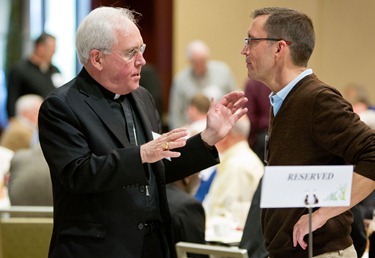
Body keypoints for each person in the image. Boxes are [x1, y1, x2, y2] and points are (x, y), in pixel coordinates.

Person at [38, 6, 247, 258]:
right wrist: (140, 155)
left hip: (153, 245)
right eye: (131, 53)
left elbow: (159, 167)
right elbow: (77, 174)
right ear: (97, 58)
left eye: (142, 49)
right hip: (98, 248)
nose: (142, 60)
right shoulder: (62, 105)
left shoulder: (142, 97)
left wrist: (208, 138)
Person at [240, 7, 375, 258]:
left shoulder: (317, 99)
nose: (244, 50)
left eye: (252, 40)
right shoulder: (284, 99)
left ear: (279, 48)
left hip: (319, 252)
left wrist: (323, 213)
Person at [203, 115, 264, 229]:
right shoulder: (239, 160)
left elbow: (229, 220)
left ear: (225, 135)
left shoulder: (238, 166)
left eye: (214, 132)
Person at [168, 40, 237, 129]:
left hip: (223, 127)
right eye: (197, 62)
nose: (202, 65)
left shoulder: (223, 72)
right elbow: (176, 114)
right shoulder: (180, 80)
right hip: (192, 130)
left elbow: (235, 100)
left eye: (204, 61)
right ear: (190, 62)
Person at [6, 32, 63, 118]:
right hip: (29, 123)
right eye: (51, 49)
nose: (53, 52)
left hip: (52, 120)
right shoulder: (19, 70)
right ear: (40, 48)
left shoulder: (55, 70)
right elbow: (11, 102)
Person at [166, 174, 208, 258]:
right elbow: (196, 254)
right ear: (187, 178)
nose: (199, 181)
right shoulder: (188, 206)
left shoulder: (152, 195)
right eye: (199, 175)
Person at [244, 79, 271, 163]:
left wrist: (250, 142)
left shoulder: (254, 83)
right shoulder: (289, 81)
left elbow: (250, 118)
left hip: (262, 140)